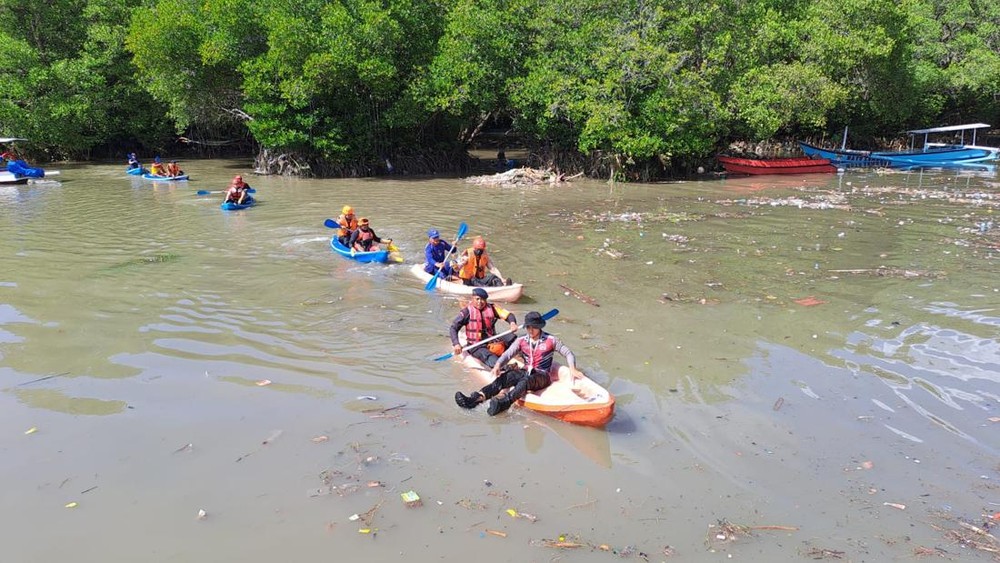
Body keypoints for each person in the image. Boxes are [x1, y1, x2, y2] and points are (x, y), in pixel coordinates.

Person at [455, 311, 580, 416]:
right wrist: (498, 365)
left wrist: (572, 369)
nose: (530, 330)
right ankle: (476, 398)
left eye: (533, 327)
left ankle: (504, 403)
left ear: (540, 327)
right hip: (526, 370)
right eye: (528, 327)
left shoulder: (551, 340)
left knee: (525, 382)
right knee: (505, 377)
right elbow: (508, 354)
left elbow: (568, 353)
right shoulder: (521, 341)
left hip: (542, 375)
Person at [448, 287, 517, 368]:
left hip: (492, 339)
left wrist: (512, 323)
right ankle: (505, 368)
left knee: (513, 338)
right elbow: (453, 328)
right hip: (476, 345)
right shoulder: (466, 312)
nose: (480, 302)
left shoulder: (492, 308)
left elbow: (509, 315)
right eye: (477, 299)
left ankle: (523, 356)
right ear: (472, 298)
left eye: (483, 299)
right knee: (488, 356)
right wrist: (456, 344)